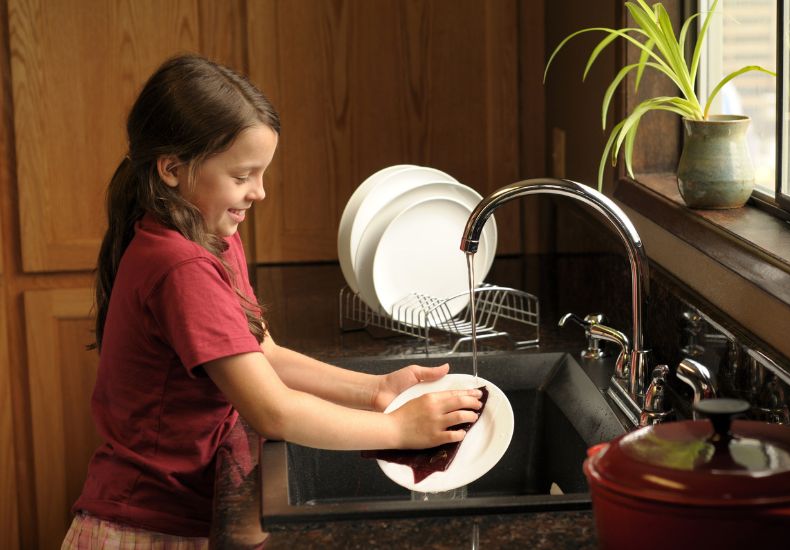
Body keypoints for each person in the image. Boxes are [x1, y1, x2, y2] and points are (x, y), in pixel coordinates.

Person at [62, 53, 482, 548]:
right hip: (145, 527)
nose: (259, 193)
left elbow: (263, 352)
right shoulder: (183, 268)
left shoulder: (209, 238)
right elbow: (274, 412)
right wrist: (399, 430)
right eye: (242, 176)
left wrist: (376, 392)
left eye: (261, 174)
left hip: (168, 511)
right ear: (172, 169)